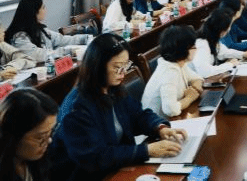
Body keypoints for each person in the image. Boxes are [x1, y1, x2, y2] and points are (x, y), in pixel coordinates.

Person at [52, 33, 185, 180]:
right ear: (98, 66)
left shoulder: (113, 88)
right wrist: (146, 151)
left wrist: (160, 128)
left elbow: (138, 115)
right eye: (117, 67)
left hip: (116, 167)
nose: (123, 72)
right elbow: (95, 157)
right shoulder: (76, 108)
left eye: (125, 65)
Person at [5, 0, 90, 63]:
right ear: (35, 12)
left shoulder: (39, 29)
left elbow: (61, 39)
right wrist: (67, 51)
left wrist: (85, 38)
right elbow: (39, 55)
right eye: (43, 7)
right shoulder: (19, 37)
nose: (45, 10)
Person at [141, 25, 203, 118]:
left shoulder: (179, 63)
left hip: (172, 119)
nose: (196, 49)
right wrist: (190, 98)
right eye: (193, 47)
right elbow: (170, 110)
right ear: (182, 49)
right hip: (156, 123)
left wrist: (195, 88)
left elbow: (197, 78)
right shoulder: (169, 72)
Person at [0, 88, 58, 181]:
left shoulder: (34, 159)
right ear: (13, 136)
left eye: (50, 132)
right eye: (40, 137)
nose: (49, 140)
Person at [192, 9, 247, 78]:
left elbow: (223, 52)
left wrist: (244, 54)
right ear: (222, 30)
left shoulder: (211, 38)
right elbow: (205, 72)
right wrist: (229, 64)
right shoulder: (202, 44)